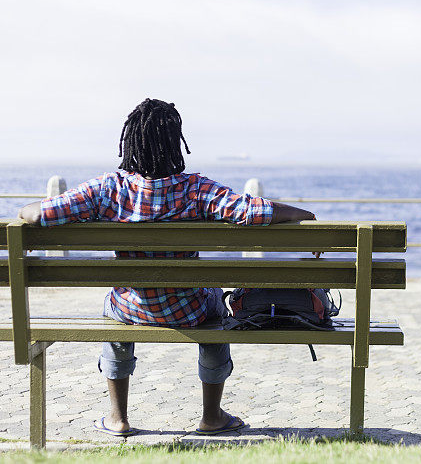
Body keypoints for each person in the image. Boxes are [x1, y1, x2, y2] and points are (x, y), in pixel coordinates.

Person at [17, 98, 316, 437]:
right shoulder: (197, 189)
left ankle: (117, 418)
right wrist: (300, 214)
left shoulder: (108, 189)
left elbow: (41, 213)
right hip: (190, 310)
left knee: (111, 305)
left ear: (131, 142)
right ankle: (212, 416)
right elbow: (251, 210)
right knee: (216, 307)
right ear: (176, 143)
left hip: (131, 308)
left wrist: (26, 213)